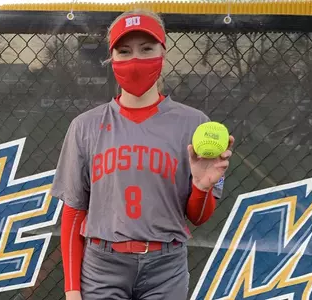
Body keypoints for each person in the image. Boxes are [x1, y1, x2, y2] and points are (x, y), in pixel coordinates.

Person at [50, 9, 234, 300]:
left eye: (146, 49)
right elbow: (73, 212)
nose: (135, 60)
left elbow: (197, 217)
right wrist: (72, 289)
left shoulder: (195, 124)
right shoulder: (85, 126)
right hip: (103, 264)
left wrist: (201, 187)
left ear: (163, 51)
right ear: (112, 59)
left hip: (165, 265)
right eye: (124, 51)